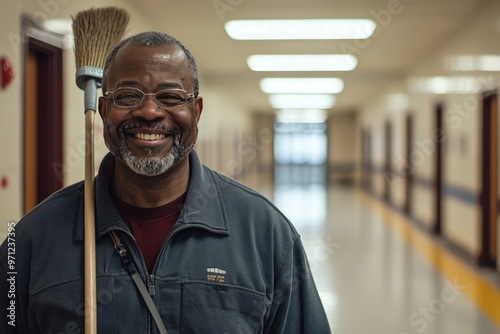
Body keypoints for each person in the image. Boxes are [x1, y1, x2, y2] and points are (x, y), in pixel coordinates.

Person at [0, 31, 331, 333]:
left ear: (196, 113)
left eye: (171, 97)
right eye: (128, 96)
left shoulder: (265, 235)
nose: (149, 111)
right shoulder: (30, 242)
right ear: (102, 111)